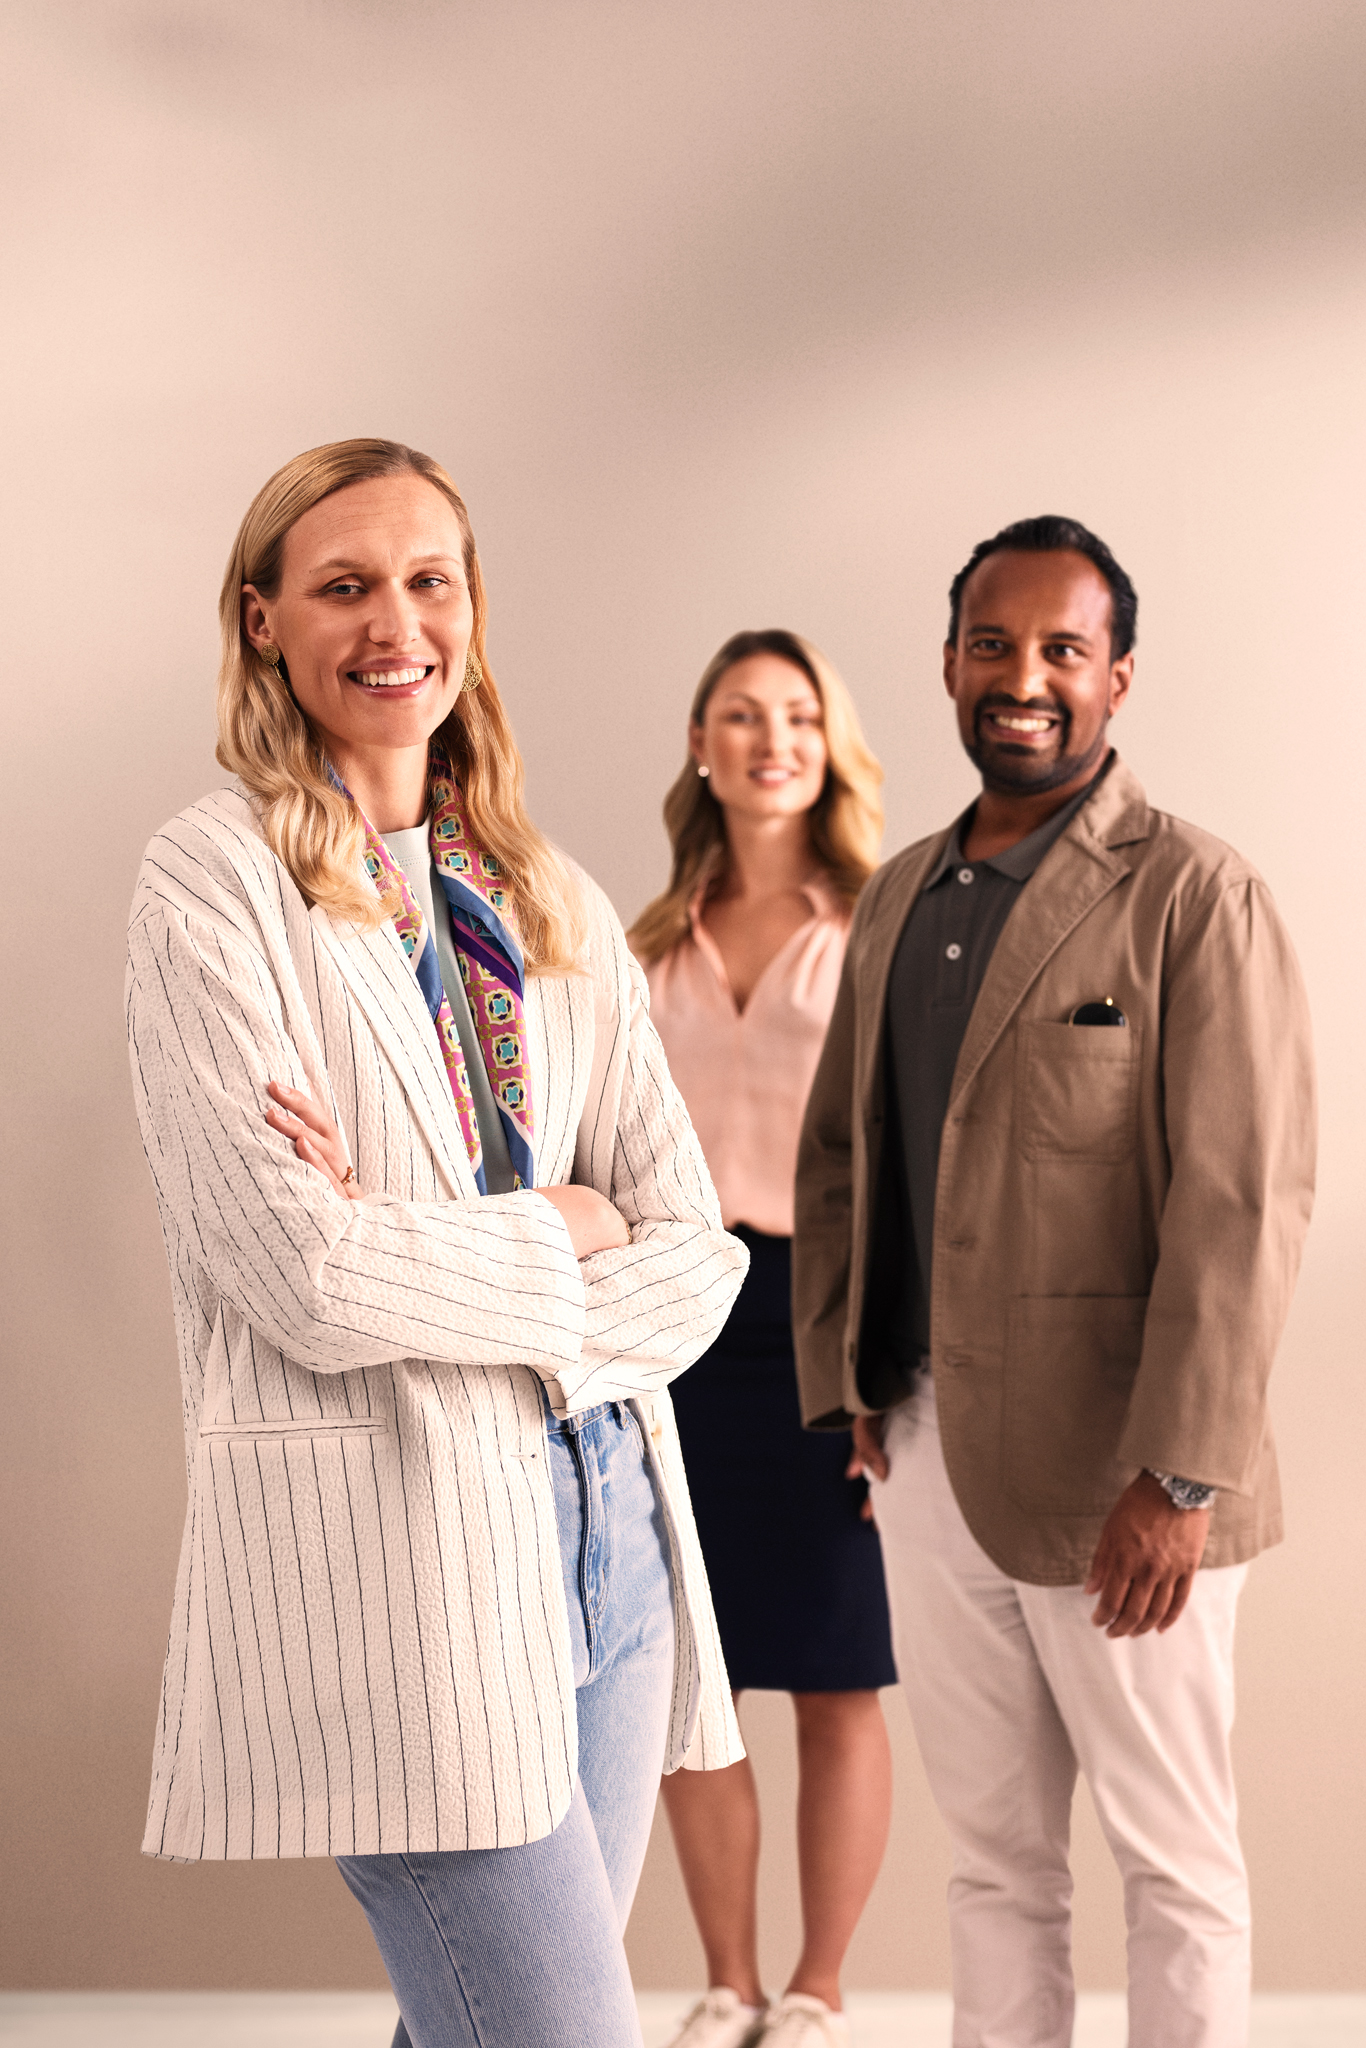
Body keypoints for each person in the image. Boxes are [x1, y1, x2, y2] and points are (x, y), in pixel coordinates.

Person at [125, 438, 751, 2048]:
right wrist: (561, 1225)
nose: (393, 621)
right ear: (263, 621)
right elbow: (304, 1280)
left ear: (469, 606)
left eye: (428, 580)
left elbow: (698, 1253)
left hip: (606, 1525)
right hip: (400, 1553)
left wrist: (432, 1244)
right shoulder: (215, 884)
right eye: (342, 586)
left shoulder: (552, 898)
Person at [793, 517, 1316, 2048]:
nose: (1022, 678)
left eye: (1061, 650)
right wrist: (845, 1391)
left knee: (1173, 1863)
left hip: (1125, 1481)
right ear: (948, 661)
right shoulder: (893, 896)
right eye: (991, 643)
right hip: (923, 1446)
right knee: (996, 1864)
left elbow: (1241, 1203)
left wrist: (1179, 1475)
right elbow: (842, 1158)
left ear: (1117, 678)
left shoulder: (1193, 897)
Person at [629, 630, 895, 2048]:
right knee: (693, 1680)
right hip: (677, 1326)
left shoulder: (881, 925)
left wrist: (890, 1370)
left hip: (825, 1321)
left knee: (840, 1668)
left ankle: (818, 1990)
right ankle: (727, 1984)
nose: (768, 737)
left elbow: (912, 1164)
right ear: (700, 741)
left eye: (796, 714)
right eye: (740, 713)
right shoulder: (642, 937)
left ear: (827, 742)